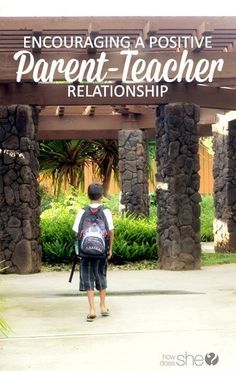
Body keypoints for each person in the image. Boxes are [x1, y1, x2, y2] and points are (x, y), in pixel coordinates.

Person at [72, 183, 114, 322]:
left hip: (85, 253)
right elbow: (110, 231)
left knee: (88, 279)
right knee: (101, 275)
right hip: (101, 252)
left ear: (88, 195)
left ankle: (91, 309)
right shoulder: (106, 211)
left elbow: (75, 232)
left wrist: (79, 247)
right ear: (101, 195)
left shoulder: (82, 211)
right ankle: (103, 306)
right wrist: (110, 249)